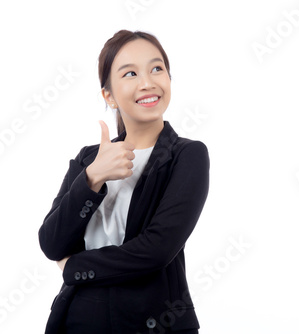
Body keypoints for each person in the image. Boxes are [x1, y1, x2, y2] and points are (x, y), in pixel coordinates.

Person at [38, 29, 210, 334]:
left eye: (157, 68)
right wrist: (93, 177)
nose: (148, 82)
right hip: (77, 320)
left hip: (154, 322)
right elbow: (52, 243)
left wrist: (75, 268)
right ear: (109, 95)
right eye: (130, 73)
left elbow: (156, 250)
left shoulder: (187, 155)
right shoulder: (88, 159)